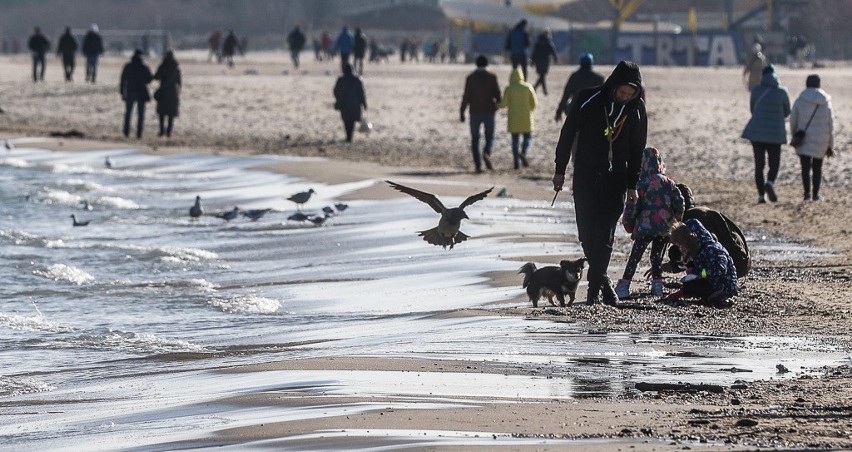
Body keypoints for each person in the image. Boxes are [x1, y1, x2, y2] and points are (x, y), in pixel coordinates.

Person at [552, 61, 647, 305]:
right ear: (613, 85)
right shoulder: (588, 98)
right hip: (585, 174)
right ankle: (603, 281)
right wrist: (560, 170)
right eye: (622, 92)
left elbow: (638, 149)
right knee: (586, 233)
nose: (625, 97)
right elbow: (567, 132)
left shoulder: (636, 110)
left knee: (604, 234)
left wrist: (632, 184)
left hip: (616, 178)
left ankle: (594, 292)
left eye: (630, 94)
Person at [616, 147, 684, 299]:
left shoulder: (641, 183)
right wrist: (677, 220)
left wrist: (628, 221)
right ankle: (657, 286)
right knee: (656, 256)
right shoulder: (669, 183)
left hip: (645, 226)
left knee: (635, 255)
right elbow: (679, 202)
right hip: (664, 226)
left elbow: (633, 205)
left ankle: (624, 285)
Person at [669, 183, 751, 279]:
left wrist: (672, 266)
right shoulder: (702, 211)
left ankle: (707, 281)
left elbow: (696, 251)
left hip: (729, 265)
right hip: (743, 261)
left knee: (676, 252)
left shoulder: (690, 220)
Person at [741, 64, 790, 203]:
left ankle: (761, 196)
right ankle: (770, 183)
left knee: (759, 164)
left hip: (757, 133)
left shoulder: (756, 90)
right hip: (775, 132)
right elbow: (787, 112)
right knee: (774, 163)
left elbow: (753, 109)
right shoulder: (782, 92)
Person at [664, 218, 738, 308]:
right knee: (690, 285)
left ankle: (720, 297)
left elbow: (720, 271)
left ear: (688, 239)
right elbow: (683, 266)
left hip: (724, 285)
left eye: (681, 244)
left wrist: (698, 274)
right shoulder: (697, 252)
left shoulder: (712, 249)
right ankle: (708, 296)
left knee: (692, 286)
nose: (680, 248)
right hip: (712, 282)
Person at [791, 74, 835, 201]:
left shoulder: (800, 100)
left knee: (805, 167)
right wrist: (830, 144)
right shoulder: (826, 102)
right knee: (817, 167)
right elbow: (831, 124)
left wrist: (795, 135)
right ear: (819, 84)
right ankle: (816, 195)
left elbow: (793, 120)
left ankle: (806, 194)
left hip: (804, 138)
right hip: (821, 138)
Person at [460, 55, 501, 173]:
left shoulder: (470, 78)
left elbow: (466, 96)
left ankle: (478, 164)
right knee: (490, 136)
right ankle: (487, 152)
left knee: (475, 139)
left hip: (474, 111)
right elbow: (497, 94)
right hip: (489, 111)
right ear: (487, 64)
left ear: (476, 64)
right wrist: (498, 104)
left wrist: (462, 111)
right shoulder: (492, 77)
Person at [498, 67, 537, 170]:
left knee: (515, 141)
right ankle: (523, 152)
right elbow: (534, 103)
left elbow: (504, 104)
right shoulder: (528, 87)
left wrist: (495, 104)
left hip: (513, 118)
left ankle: (516, 162)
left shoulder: (509, 88)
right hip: (526, 117)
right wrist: (530, 111)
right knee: (527, 138)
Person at [554, 53, 604, 123]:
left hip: (575, 108)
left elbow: (566, 94)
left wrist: (559, 111)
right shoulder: (598, 78)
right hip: (592, 110)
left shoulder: (574, 76)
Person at [119, 49, 153, 139]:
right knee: (141, 115)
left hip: (130, 91)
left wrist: (122, 92)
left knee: (128, 113)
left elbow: (123, 80)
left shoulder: (128, 66)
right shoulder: (144, 66)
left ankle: (126, 132)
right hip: (141, 92)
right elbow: (149, 79)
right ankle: (139, 134)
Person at [333, 63, 367, 143]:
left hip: (344, 104)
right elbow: (362, 93)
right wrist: (364, 103)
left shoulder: (341, 80)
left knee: (346, 121)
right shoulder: (357, 80)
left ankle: (348, 137)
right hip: (355, 104)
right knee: (352, 121)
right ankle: (350, 137)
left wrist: (338, 99)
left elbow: (335, 91)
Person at [153, 50, 181, 138]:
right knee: (171, 114)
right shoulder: (176, 68)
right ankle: (169, 132)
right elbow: (179, 82)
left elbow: (156, 77)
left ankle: (161, 131)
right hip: (172, 92)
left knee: (162, 113)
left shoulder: (162, 66)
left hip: (163, 92)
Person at [530, 30, 557, 95]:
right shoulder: (548, 42)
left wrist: (532, 61)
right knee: (542, 76)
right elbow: (553, 51)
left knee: (542, 76)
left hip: (538, 61)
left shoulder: (538, 42)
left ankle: (542, 90)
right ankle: (536, 88)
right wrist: (555, 58)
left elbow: (534, 53)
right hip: (545, 62)